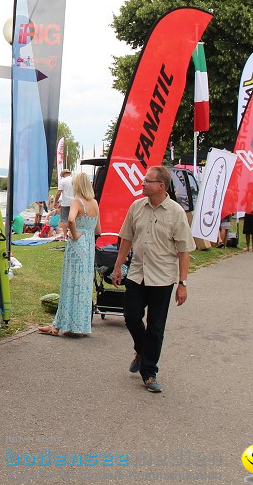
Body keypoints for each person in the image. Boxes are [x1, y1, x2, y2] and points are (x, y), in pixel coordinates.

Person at [113, 166, 194, 394]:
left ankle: (149, 373)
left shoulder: (176, 212)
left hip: (162, 277)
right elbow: (126, 238)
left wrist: (183, 283)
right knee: (130, 316)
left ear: (161, 186)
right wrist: (118, 267)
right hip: (137, 273)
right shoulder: (136, 207)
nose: (142, 183)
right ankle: (142, 349)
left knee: (156, 327)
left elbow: (184, 250)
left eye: (147, 181)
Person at [38, 173, 101, 337]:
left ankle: (59, 325)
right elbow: (98, 230)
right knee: (84, 285)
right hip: (88, 245)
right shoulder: (94, 203)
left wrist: (74, 234)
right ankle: (80, 326)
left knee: (70, 282)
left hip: (77, 244)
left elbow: (71, 219)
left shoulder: (76, 202)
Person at [53, 169, 74, 237]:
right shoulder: (75, 180)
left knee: (64, 220)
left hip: (66, 202)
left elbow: (59, 193)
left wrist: (55, 201)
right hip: (75, 202)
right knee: (73, 219)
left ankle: (65, 235)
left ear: (63, 174)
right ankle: (72, 233)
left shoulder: (62, 181)